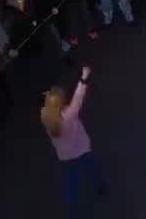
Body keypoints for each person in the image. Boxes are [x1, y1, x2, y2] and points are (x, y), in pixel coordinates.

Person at [42, 66, 107, 218]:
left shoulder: (47, 119)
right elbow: (78, 97)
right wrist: (84, 77)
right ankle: (101, 187)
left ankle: (73, 213)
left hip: (66, 157)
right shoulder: (69, 116)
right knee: (93, 168)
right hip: (82, 149)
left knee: (71, 185)